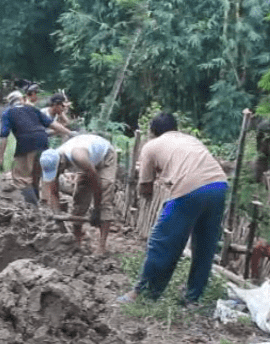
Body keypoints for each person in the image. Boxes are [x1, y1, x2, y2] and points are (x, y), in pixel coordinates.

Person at [117, 112, 228, 306]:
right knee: (205, 246)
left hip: (190, 189)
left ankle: (142, 294)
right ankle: (193, 299)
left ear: (152, 131)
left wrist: (147, 190)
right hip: (219, 185)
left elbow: (145, 186)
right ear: (175, 128)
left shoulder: (151, 146)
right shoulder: (189, 139)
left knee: (162, 242)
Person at [40, 134, 117, 254]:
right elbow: (54, 192)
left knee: (104, 196)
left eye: (58, 171)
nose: (58, 174)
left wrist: (96, 209)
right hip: (89, 160)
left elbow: (96, 183)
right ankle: (76, 241)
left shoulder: (78, 157)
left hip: (105, 156)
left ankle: (101, 246)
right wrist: (57, 216)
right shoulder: (51, 160)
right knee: (79, 198)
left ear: (61, 163)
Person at [0, 90, 72, 205]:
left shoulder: (7, 113)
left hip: (25, 144)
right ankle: (41, 203)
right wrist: (70, 133)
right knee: (36, 176)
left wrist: (1, 159)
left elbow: (4, 137)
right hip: (43, 142)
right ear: (22, 99)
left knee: (21, 179)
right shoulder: (32, 109)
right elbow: (52, 124)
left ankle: (33, 208)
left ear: (10, 103)